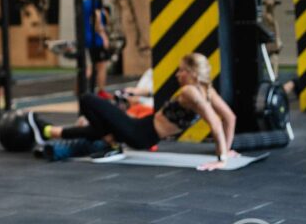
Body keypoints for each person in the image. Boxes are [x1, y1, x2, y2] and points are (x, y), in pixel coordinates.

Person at [28, 53, 237, 171]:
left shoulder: (190, 91)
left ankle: (108, 141)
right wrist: (226, 149)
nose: (177, 74)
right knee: (101, 129)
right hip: (143, 131)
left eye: (181, 70)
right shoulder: (208, 92)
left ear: (191, 73)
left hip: (138, 132)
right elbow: (230, 118)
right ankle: (49, 132)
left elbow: (216, 123)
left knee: (87, 99)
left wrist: (221, 159)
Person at [84, 0, 111, 93]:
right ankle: (101, 91)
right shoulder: (97, 3)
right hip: (96, 39)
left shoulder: (86, 2)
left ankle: (80, 87)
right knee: (102, 66)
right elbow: (98, 22)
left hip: (87, 37)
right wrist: (104, 37)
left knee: (94, 65)